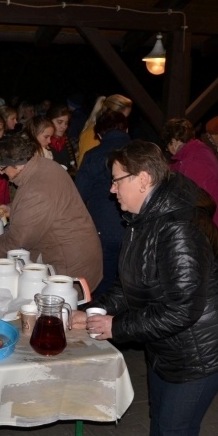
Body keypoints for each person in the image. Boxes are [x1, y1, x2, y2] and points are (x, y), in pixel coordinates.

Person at [70, 140, 218, 436]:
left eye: (117, 180)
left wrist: (117, 326)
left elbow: (183, 309)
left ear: (142, 179)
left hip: (204, 350)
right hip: (170, 343)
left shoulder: (178, 226)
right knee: (163, 424)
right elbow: (130, 282)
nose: (112, 190)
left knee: (176, 434)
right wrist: (94, 311)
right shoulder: (147, 214)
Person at [0, 134, 103, 291]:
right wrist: (13, 208)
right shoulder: (44, 166)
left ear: (18, 165)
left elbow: (16, 241)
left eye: (2, 167)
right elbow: (46, 203)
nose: (1, 173)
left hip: (69, 267)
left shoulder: (35, 190)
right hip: (82, 255)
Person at [74, 110, 131, 299]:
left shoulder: (93, 156)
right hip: (136, 228)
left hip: (103, 228)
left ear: (99, 135)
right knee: (132, 282)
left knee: (104, 284)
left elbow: (79, 195)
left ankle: (100, 320)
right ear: (126, 129)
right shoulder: (140, 153)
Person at [162, 118, 218, 238]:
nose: (168, 150)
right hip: (207, 224)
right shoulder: (193, 152)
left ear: (174, 141)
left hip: (209, 227)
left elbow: (192, 200)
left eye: (167, 146)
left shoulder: (194, 160)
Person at [77, 94, 133, 166]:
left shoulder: (112, 136)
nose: (124, 122)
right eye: (122, 118)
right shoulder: (92, 134)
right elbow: (84, 167)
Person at [46, 103, 77, 175]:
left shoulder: (66, 141)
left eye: (66, 123)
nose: (64, 127)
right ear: (49, 121)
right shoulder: (44, 144)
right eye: (59, 122)